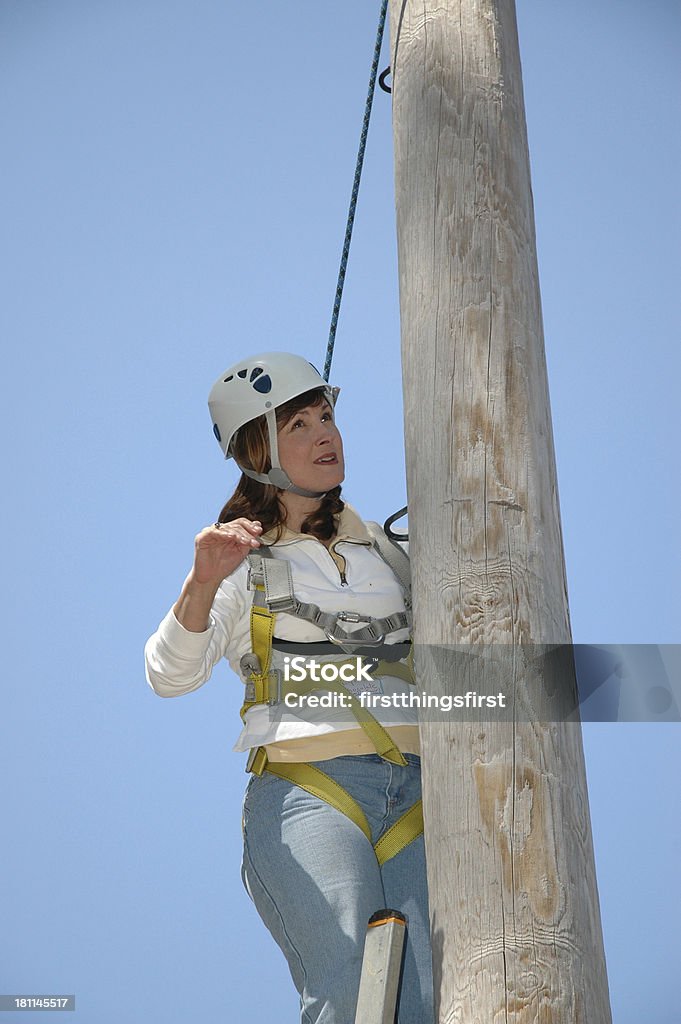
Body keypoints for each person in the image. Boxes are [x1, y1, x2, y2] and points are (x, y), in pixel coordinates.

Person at [145, 351, 434, 1024]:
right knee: (351, 991)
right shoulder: (241, 563)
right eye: (297, 426)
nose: (324, 435)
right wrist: (202, 582)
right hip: (309, 792)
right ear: (257, 453)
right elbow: (168, 676)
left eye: (326, 416)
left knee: (427, 1002)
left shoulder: (392, 552)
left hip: (421, 794)